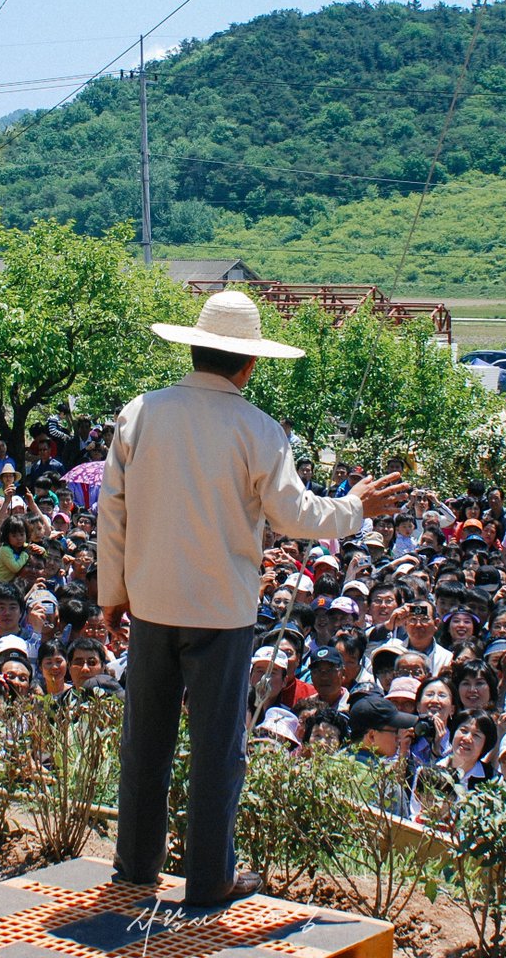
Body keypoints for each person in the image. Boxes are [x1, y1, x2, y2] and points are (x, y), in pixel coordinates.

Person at [98, 290, 407, 906]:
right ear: (249, 363)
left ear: (193, 348)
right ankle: (208, 881)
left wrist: (113, 592)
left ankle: (134, 868)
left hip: (151, 603)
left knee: (146, 743)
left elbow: (113, 509)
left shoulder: (142, 412)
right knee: (217, 751)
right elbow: (294, 516)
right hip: (221, 613)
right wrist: (356, 507)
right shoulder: (259, 429)